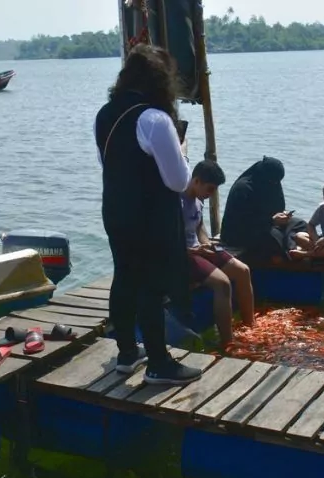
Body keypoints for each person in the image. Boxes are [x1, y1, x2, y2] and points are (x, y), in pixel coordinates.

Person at [93, 43, 203, 386]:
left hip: (115, 209)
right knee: (152, 288)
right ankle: (159, 362)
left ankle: (127, 353)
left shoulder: (105, 114)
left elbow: (107, 164)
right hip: (151, 216)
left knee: (124, 277)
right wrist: (182, 151)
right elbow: (179, 181)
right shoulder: (155, 119)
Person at [182, 159, 256, 345]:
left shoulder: (199, 199)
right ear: (196, 181)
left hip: (198, 250)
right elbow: (164, 240)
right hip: (181, 255)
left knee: (243, 270)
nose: (211, 194)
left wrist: (207, 244)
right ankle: (228, 342)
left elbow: (199, 226)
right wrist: (193, 250)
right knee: (222, 284)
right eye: (210, 189)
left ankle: (251, 326)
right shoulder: (176, 202)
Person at [219, 156, 307, 264]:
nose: (275, 184)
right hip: (240, 234)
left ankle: (292, 248)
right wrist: (271, 221)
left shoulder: (272, 184)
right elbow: (244, 223)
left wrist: (282, 215)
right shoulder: (243, 189)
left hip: (268, 225)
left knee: (299, 223)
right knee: (274, 237)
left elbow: (278, 206)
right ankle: (291, 251)